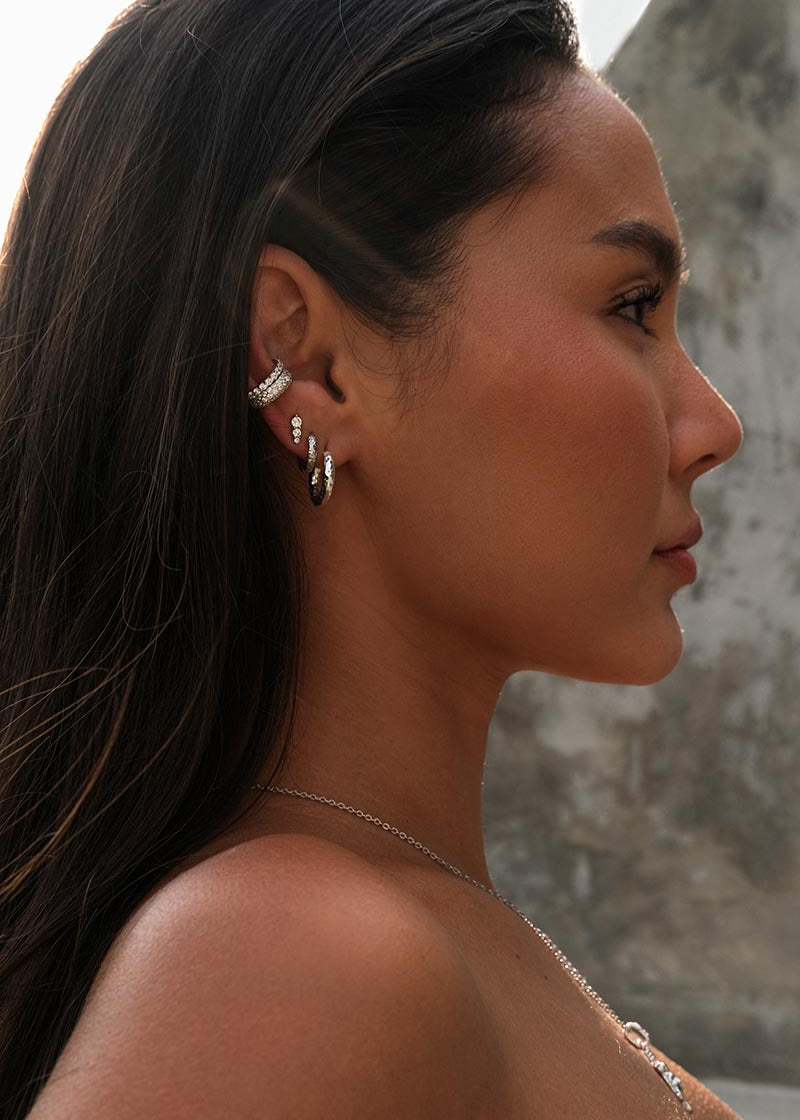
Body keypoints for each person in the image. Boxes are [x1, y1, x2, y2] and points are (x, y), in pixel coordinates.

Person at [0, 0, 746, 1116]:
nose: (712, 422)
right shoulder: (301, 959)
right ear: (306, 361)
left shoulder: (383, 934)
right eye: (630, 306)